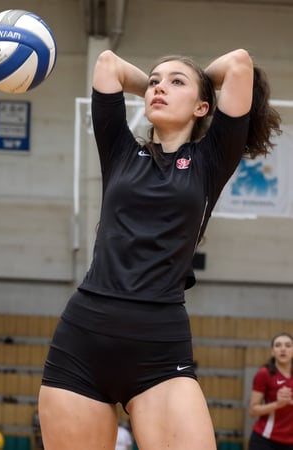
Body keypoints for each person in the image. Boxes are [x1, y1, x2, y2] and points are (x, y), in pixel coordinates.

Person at [38, 48, 281, 450]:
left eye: (175, 83)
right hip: (83, 339)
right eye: (153, 81)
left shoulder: (211, 159)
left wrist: (198, 77)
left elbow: (239, 63)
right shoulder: (119, 150)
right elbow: (108, 64)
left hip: (159, 349)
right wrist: (165, 85)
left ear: (203, 106)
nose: (159, 88)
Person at [248, 333, 293, 450]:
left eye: (288, 345)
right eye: (278, 345)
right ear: (272, 351)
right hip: (266, 441)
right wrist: (278, 404)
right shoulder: (264, 373)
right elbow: (253, 410)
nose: (283, 349)